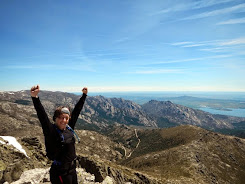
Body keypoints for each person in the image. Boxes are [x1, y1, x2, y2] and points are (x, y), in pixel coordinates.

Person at [30, 85, 88, 184]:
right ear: (55, 118)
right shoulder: (51, 130)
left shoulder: (69, 128)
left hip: (72, 169)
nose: (64, 120)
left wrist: (84, 96)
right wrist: (35, 98)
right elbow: (42, 116)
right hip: (60, 173)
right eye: (61, 117)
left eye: (66, 118)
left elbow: (76, 111)